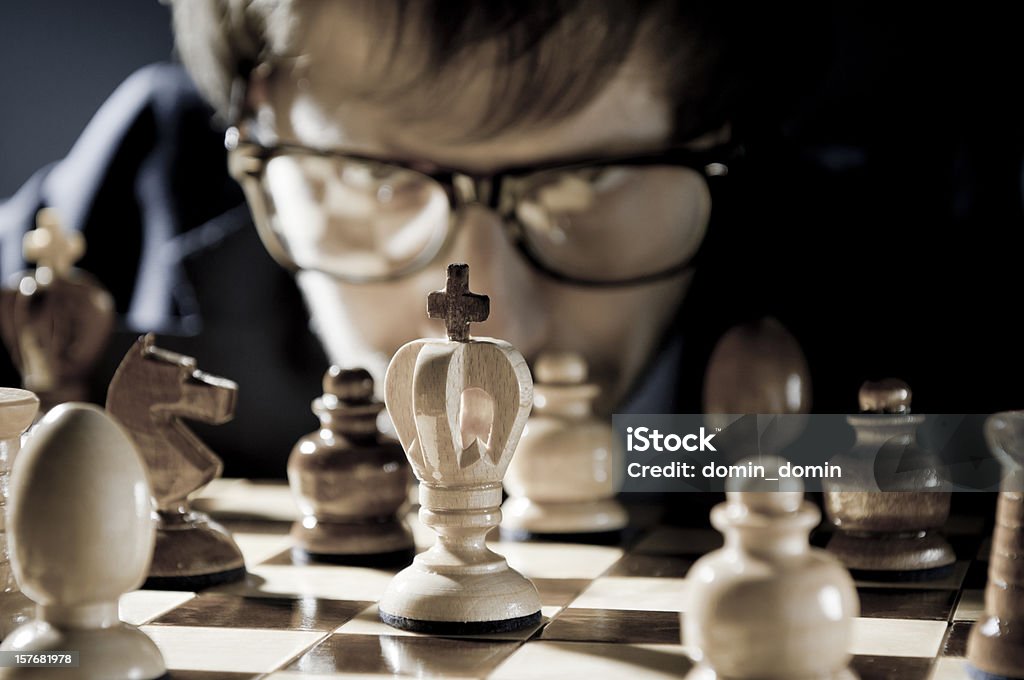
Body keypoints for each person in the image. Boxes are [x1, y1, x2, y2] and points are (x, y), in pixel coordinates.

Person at [2, 2, 1022, 476]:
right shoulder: (120, 205)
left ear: (721, 138)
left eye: (583, 176)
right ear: (257, 130)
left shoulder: (919, 286)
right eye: (377, 173)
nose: (482, 309)